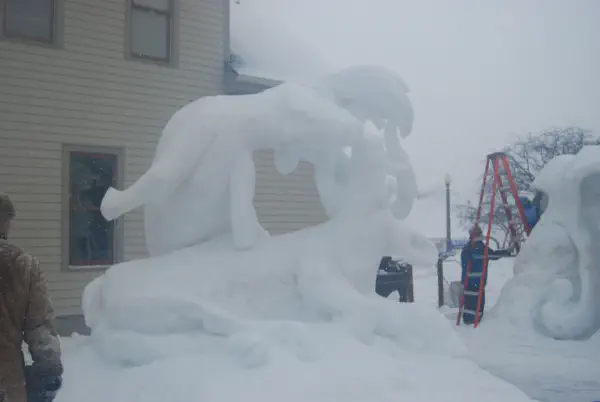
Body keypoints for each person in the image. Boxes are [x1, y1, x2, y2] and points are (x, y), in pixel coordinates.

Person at [0, 194, 63, 402]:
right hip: (7, 383)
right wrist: (49, 369)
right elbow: (39, 326)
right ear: (6, 222)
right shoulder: (22, 265)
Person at [460, 225, 512, 325]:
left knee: (469, 301)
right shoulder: (481, 248)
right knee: (478, 301)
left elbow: (466, 263)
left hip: (468, 281)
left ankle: (468, 319)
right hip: (478, 281)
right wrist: (506, 252)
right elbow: (493, 255)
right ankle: (476, 319)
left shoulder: (466, 248)